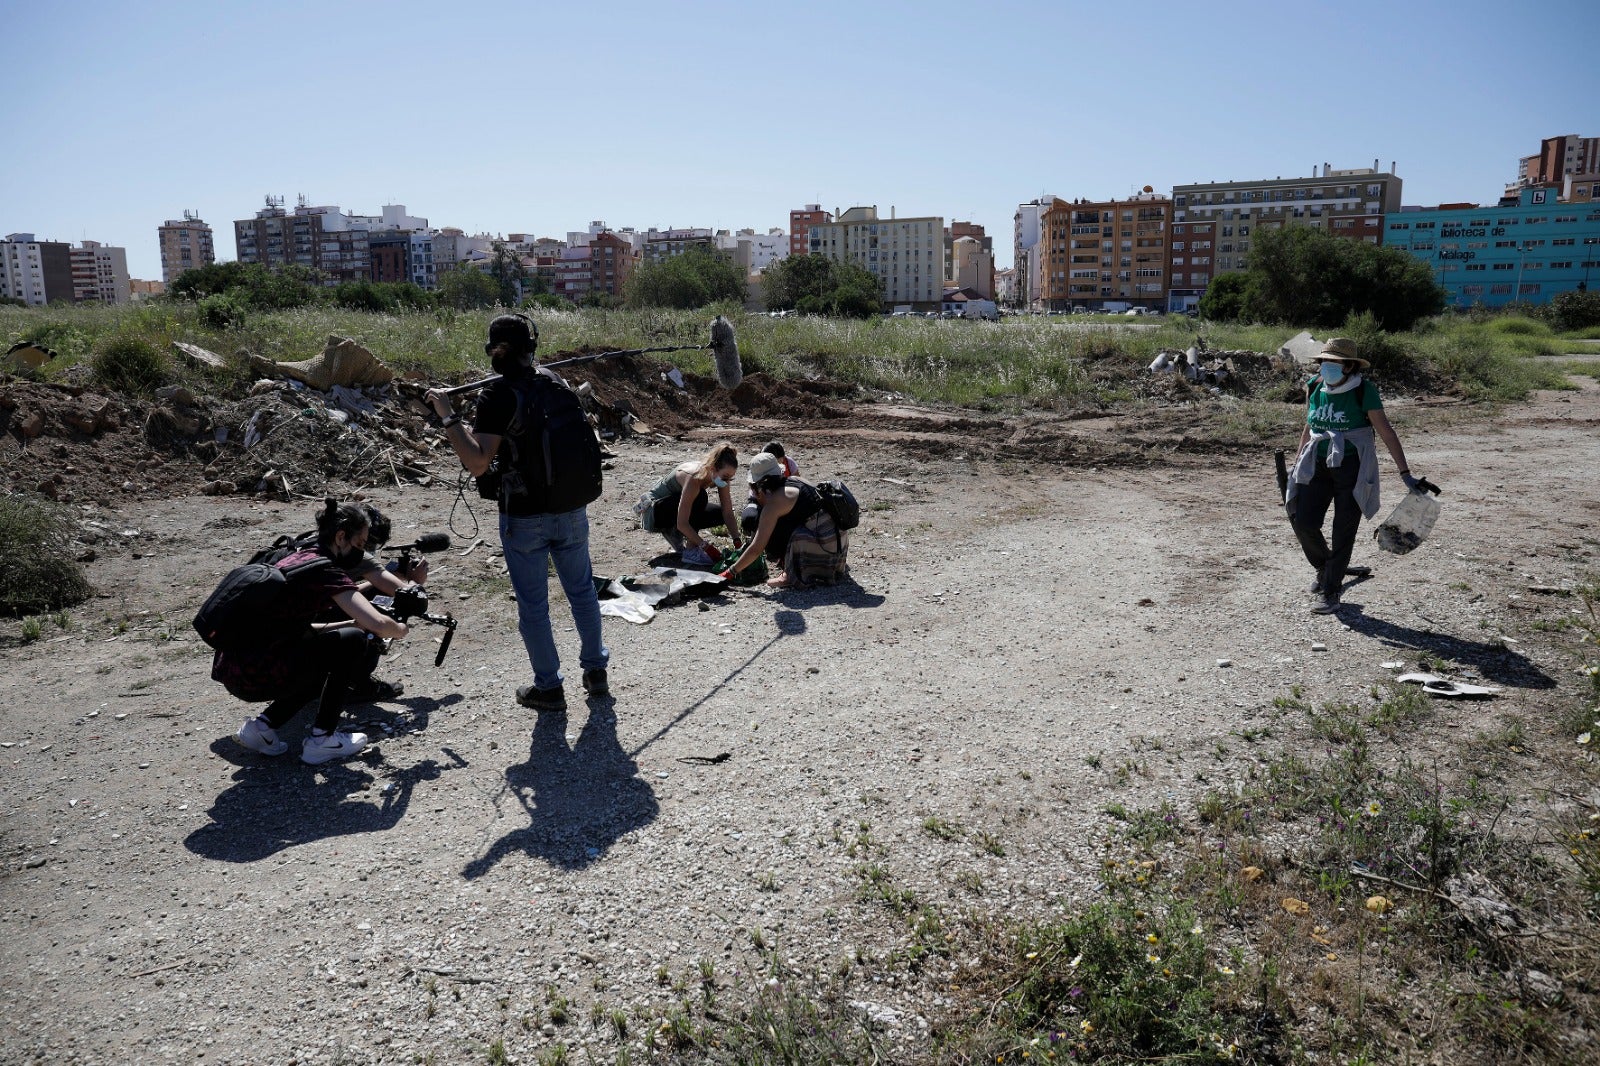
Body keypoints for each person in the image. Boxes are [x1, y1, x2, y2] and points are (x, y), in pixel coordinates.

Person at [424, 313, 609, 713]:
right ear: (531, 347)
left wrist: (447, 416)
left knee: (534, 605)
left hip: (525, 516)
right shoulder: (554, 383)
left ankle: (549, 687)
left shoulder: (496, 396)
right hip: (571, 507)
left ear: (494, 350)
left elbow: (476, 462)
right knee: (581, 592)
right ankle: (596, 672)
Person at [222, 500, 410, 765]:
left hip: (237, 671)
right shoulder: (324, 569)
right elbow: (377, 623)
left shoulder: (295, 555)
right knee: (354, 642)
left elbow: (299, 629)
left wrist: (344, 626)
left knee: (335, 643)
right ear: (341, 536)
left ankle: (260, 728)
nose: (361, 552)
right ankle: (322, 740)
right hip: (262, 676)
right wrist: (400, 629)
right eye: (359, 545)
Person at [1286, 337, 1420, 615]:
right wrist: (1297, 460)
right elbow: (1309, 427)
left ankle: (1331, 590)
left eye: (1334, 363)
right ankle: (1326, 567)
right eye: (1324, 362)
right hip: (1317, 464)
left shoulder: (1363, 391)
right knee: (1303, 521)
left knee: (1343, 530)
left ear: (1349, 367)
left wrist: (1404, 473)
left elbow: (1386, 432)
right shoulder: (1314, 386)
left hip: (1352, 467)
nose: (1327, 367)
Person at [717, 452, 849, 588]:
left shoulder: (774, 504)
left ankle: (793, 574)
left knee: (770, 532)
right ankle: (795, 565)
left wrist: (730, 572)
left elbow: (757, 547)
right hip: (838, 551)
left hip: (826, 554)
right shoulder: (795, 480)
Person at [638, 442, 744, 566]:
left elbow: (727, 512)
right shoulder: (694, 477)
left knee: (719, 513)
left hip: (673, 507)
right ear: (713, 468)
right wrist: (705, 546)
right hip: (653, 512)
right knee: (700, 497)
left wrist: (737, 541)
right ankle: (690, 551)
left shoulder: (719, 477)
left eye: (730, 478)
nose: (727, 482)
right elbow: (682, 523)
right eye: (725, 477)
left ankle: (676, 533)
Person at [740, 440, 799, 535]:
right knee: (750, 519)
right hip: (762, 501)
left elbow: (796, 482)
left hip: (779, 498)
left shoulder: (787, 464)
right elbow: (762, 500)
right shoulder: (758, 466)